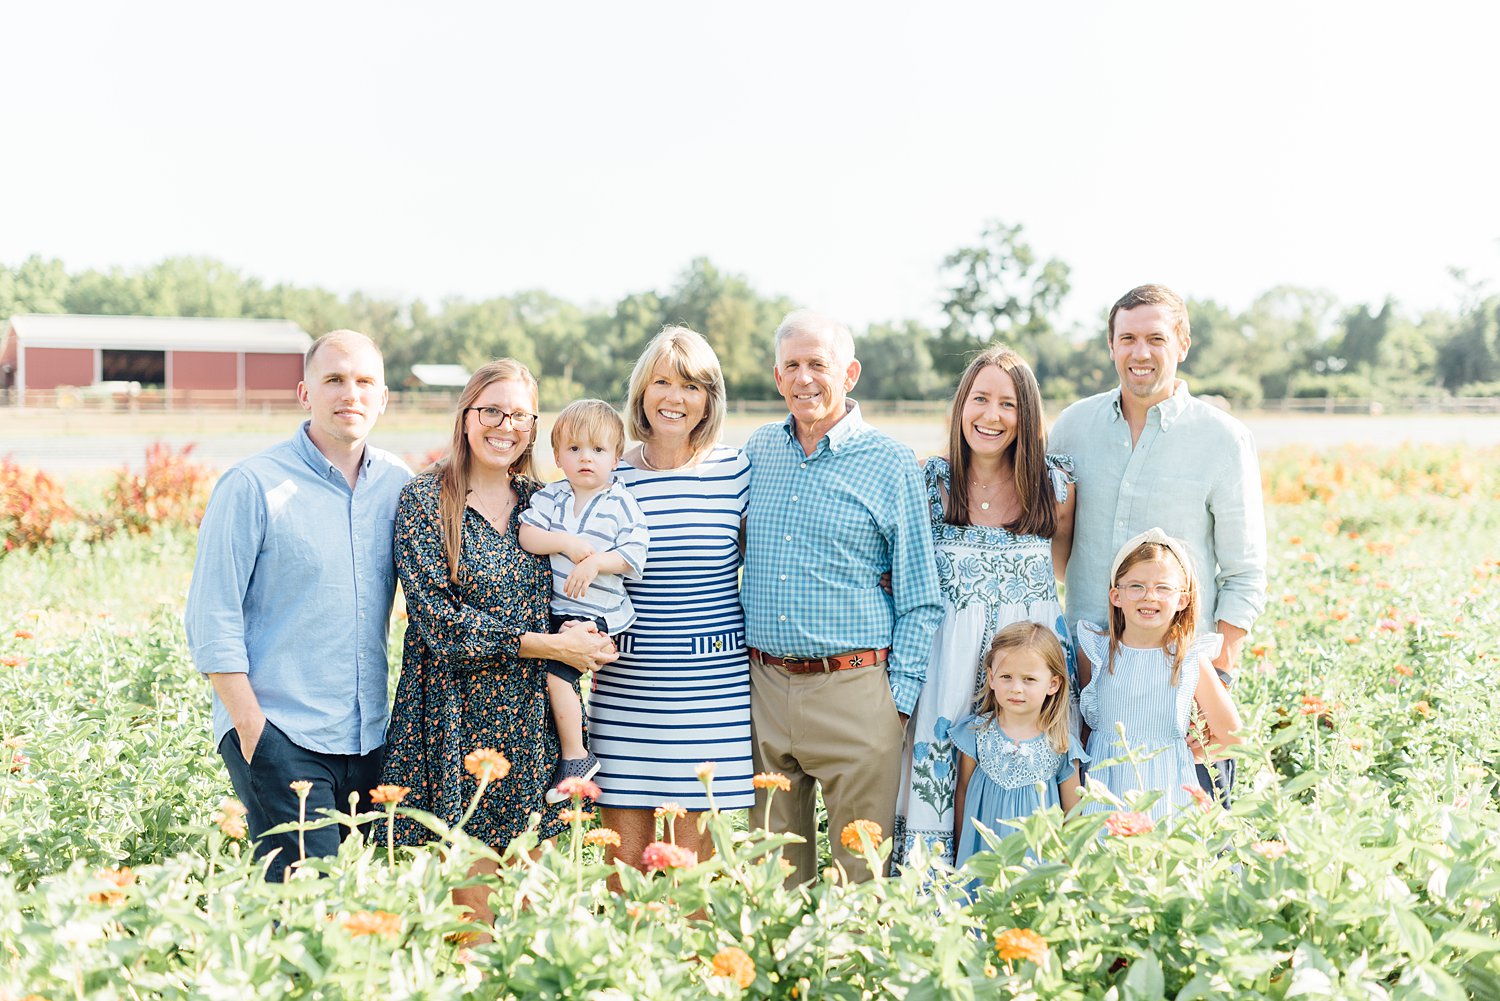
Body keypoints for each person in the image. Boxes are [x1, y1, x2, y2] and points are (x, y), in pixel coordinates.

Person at [379, 360, 616, 927]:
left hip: (534, 719)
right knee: (475, 918)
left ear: (533, 427)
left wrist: (586, 636)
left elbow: (583, 585)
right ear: (465, 417)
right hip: (454, 716)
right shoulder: (425, 501)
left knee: (537, 911)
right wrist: (550, 647)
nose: (504, 425)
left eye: (519, 415)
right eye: (491, 411)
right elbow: (440, 626)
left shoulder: (546, 502)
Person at [185, 329, 411, 881]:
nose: (349, 394)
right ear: (305, 392)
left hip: (369, 738)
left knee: (357, 900)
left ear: (383, 399)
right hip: (281, 731)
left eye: (364, 382)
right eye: (334, 379)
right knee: (310, 900)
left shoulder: (401, 485)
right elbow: (211, 616)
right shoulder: (251, 485)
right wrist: (251, 728)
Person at [742, 308, 943, 882]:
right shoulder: (759, 451)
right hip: (765, 689)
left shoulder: (889, 461)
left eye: (818, 365)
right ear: (777, 378)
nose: (805, 379)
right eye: (792, 367)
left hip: (855, 691)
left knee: (862, 875)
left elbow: (920, 596)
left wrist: (893, 707)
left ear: (849, 374)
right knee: (772, 877)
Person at [1049, 283, 1266, 801]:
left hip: (1182, 677)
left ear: (1182, 343)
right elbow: (1055, 546)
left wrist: (1216, 672)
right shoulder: (1073, 427)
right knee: (1094, 829)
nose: (1139, 353)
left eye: (1155, 339)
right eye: (1127, 339)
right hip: (1088, 671)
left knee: (1194, 843)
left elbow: (1245, 572)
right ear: (1111, 345)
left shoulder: (1222, 438)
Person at [893, 345, 1077, 867]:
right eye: (980, 399)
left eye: (1009, 404)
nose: (991, 416)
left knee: (1024, 788)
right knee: (940, 780)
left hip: (1029, 666)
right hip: (946, 662)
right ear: (961, 405)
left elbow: (1062, 573)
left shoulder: (1054, 488)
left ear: (1028, 415)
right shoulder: (930, 483)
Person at [592, 326, 754, 870]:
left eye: (691, 386)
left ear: (710, 398)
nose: (674, 398)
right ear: (642, 391)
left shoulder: (735, 472)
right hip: (627, 687)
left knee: (691, 876)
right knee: (626, 869)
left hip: (710, 693)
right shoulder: (607, 476)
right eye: (662, 382)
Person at [518, 399, 649, 802]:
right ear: (557, 456)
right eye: (574, 449)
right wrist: (566, 542)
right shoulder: (552, 497)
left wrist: (594, 564)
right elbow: (527, 535)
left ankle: (577, 757)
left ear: (616, 457)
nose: (585, 458)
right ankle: (568, 748)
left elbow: (634, 553)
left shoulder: (619, 502)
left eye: (597, 450)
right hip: (560, 611)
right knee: (553, 676)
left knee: (558, 675)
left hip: (600, 612)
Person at [1076, 530, 1244, 823]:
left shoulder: (1189, 659)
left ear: (1182, 600)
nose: (1149, 596)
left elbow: (1233, 736)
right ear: (1116, 595)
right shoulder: (1096, 652)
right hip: (1104, 788)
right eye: (1136, 586)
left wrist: (1184, 755)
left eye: (1163, 588)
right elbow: (1083, 729)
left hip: (1167, 792)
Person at [950, 622, 1086, 868]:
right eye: (1006, 677)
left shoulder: (1061, 745)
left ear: (1053, 684)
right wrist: (961, 852)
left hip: (1037, 865)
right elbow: (963, 791)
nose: (1016, 688)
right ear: (991, 678)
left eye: (1029, 679)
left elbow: (1073, 817)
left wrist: (1068, 869)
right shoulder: (977, 733)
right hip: (981, 857)